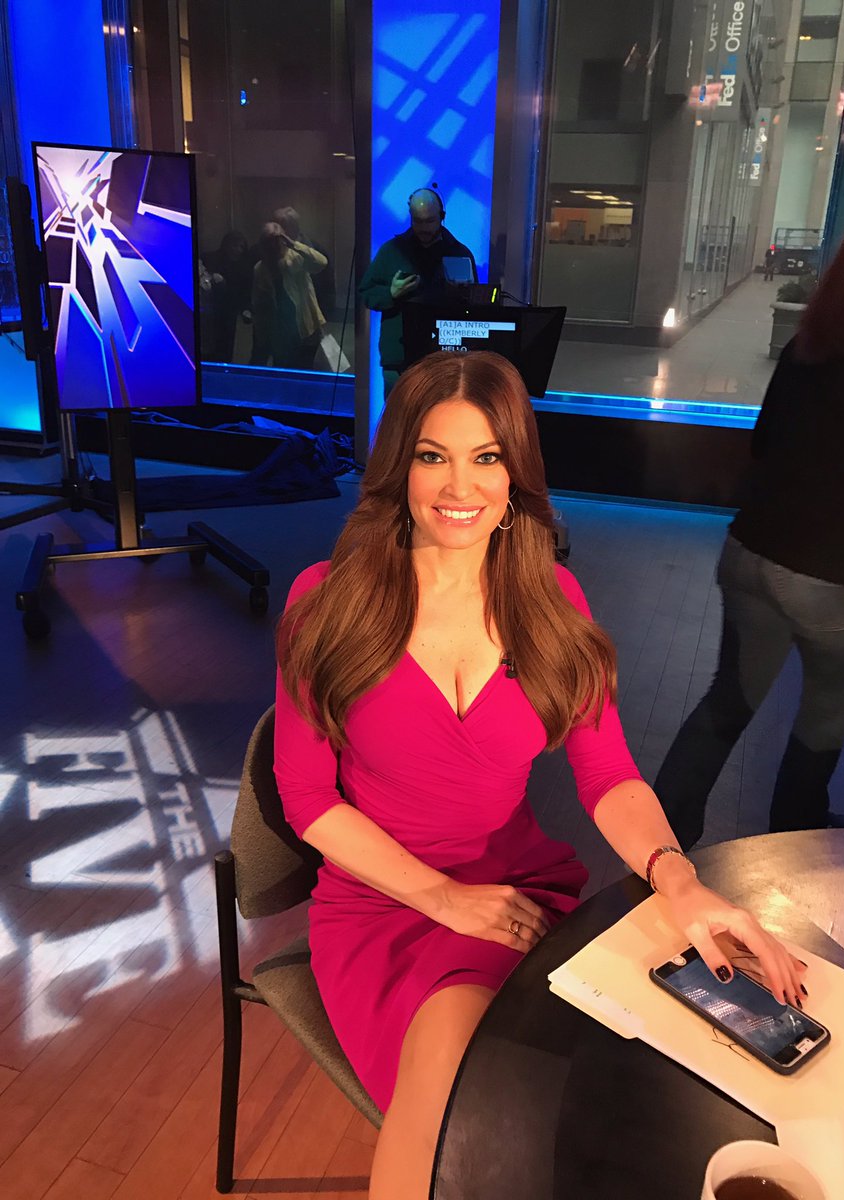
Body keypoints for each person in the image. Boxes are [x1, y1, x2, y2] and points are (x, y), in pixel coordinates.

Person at [274, 351, 807, 1200]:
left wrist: (679, 880)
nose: (460, 487)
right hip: (386, 902)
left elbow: (610, 775)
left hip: (515, 888)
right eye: (433, 455)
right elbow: (307, 800)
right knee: (459, 1080)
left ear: (515, 471)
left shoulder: (552, 600)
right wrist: (443, 899)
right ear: (399, 464)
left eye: (486, 457)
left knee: (607, 1090)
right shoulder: (325, 599)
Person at [655, 206, 844, 850]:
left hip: (753, 554)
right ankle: (793, 846)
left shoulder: (813, 340)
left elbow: (764, 441)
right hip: (840, 579)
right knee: (824, 719)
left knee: (726, 703)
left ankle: (661, 848)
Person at [358, 187, 478, 394]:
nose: (423, 228)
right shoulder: (391, 251)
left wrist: (457, 296)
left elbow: (474, 306)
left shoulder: (459, 253)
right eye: (417, 221)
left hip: (445, 358)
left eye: (429, 221)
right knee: (399, 413)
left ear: (442, 217)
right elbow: (366, 293)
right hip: (399, 358)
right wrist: (390, 294)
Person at [251, 220, 327, 369]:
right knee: (283, 371)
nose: (274, 246)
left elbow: (321, 262)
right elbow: (258, 303)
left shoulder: (296, 258)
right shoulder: (260, 268)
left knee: (304, 370)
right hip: (279, 334)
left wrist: (293, 244)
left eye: (276, 241)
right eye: (269, 242)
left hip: (305, 329)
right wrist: (261, 334)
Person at [202, 230, 253, 362]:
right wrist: (211, 276)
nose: (238, 250)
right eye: (234, 245)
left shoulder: (245, 266)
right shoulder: (212, 259)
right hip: (212, 309)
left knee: (227, 343)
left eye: (241, 246)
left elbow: (246, 291)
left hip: (231, 310)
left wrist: (246, 309)